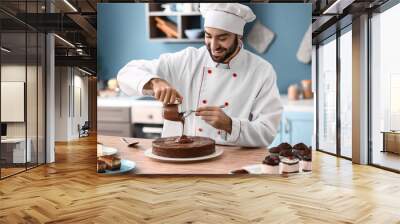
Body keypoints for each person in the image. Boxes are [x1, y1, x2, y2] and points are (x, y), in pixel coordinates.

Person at [117, 3, 283, 147]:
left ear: (238, 37)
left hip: (231, 160)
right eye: (208, 36)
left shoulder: (261, 71)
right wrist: (154, 81)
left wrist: (231, 125)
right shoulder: (187, 60)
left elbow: (267, 132)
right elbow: (126, 73)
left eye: (222, 38)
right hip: (177, 156)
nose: (213, 46)